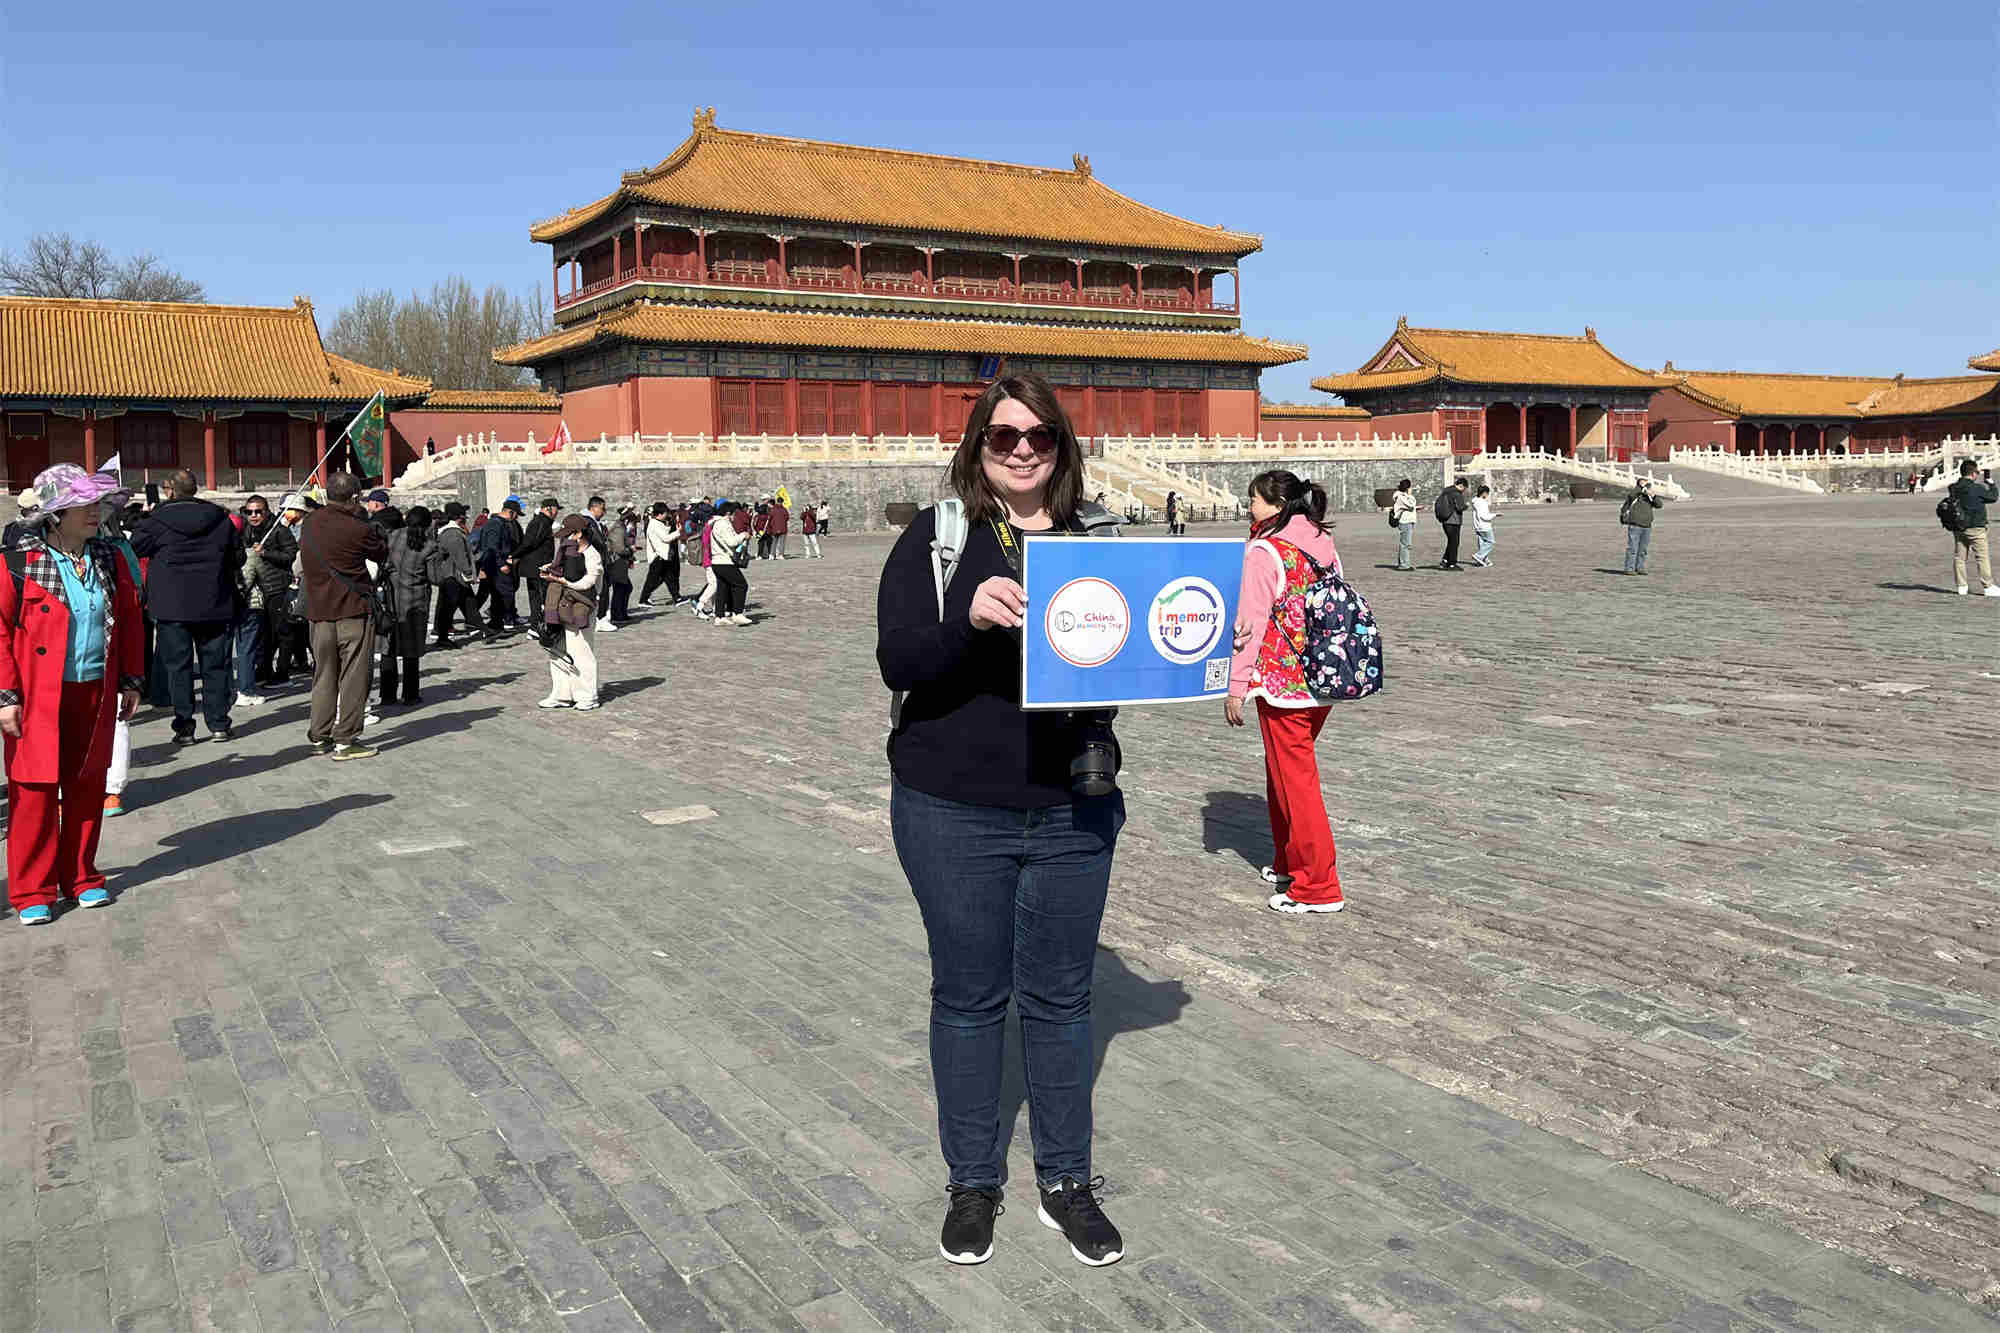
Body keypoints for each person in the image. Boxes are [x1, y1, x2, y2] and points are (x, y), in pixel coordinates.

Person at [875, 372, 1127, 1270]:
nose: (1022, 449)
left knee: (1063, 999)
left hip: (1072, 807)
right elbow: (897, 657)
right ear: (977, 443)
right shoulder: (940, 537)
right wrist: (968, 617)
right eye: (1003, 434)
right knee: (971, 997)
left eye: (1041, 435)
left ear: (1063, 444)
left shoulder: (1100, 538)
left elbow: (1130, 655)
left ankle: (1067, 1181)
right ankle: (973, 1181)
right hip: (953, 809)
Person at [1, 465, 144, 923]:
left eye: (96, 503)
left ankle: (82, 878)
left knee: (85, 786)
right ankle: (31, 891)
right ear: (56, 513)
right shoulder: (17, 562)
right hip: (37, 696)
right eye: (83, 505)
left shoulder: (109, 556)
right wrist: (6, 695)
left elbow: (129, 619)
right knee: (34, 793)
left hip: (94, 690)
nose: (95, 512)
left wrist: (131, 679)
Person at [1224, 470, 1346, 916]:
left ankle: (1319, 886)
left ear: (1275, 506)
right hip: (1322, 676)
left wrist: (1236, 686)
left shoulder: (1265, 550)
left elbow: (1248, 626)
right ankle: (1287, 861)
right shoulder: (1320, 541)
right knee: (1285, 773)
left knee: (1297, 782)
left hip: (1282, 684)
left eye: (1253, 500)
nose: (1249, 507)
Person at [129, 468, 242, 745]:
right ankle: (218, 724)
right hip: (213, 600)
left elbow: (135, 548)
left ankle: (184, 727)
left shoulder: (157, 520)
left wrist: (147, 516)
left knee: (178, 668)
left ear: (169, 490)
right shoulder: (220, 518)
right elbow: (237, 557)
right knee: (215, 666)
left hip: (171, 605)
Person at [299, 473, 387, 760]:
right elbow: (380, 551)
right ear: (354, 497)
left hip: (319, 612)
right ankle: (346, 739)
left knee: (323, 675)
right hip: (352, 610)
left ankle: (319, 734)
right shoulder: (359, 528)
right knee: (354, 677)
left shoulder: (310, 522)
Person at [96, 498, 143, 818]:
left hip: (107, 655)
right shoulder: (36, 556)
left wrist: (132, 676)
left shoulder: (112, 553)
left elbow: (131, 599)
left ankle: (111, 789)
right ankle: (107, 790)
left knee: (115, 719)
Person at [539, 514, 603, 710]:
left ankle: (587, 696)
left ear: (579, 533)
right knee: (557, 650)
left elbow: (589, 582)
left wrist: (564, 582)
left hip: (582, 605)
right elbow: (560, 569)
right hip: (561, 603)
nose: (565, 538)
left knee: (581, 651)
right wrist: (550, 571)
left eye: (569, 534)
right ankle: (562, 694)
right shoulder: (567, 550)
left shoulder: (592, 554)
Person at [381, 505, 435, 707]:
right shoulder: (429, 545)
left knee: (389, 646)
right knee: (411, 650)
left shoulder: (392, 537)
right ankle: (410, 695)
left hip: (391, 598)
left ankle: (387, 695)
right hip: (415, 600)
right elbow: (435, 577)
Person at [1946, 458, 2000, 595]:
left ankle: (1961, 586)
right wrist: (1992, 484)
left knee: (1960, 557)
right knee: (1982, 557)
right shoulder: (1976, 488)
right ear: (1973, 473)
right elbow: (1993, 497)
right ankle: (1988, 586)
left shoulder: (1954, 488)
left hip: (1959, 526)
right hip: (1976, 526)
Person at [428, 503, 476, 647]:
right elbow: (459, 555)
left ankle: (483, 628)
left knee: (464, 603)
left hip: (450, 574)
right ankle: (441, 635)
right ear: (459, 517)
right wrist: (468, 572)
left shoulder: (446, 530)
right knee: (448, 607)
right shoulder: (453, 533)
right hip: (452, 575)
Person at [476, 497, 526, 636]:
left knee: (499, 597)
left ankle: (496, 625)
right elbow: (492, 547)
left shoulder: (501, 523)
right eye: (516, 514)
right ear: (510, 512)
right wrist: (501, 564)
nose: (516, 518)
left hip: (500, 564)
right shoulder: (495, 524)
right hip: (496, 567)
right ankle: (494, 625)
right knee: (504, 595)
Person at [512, 497, 561, 627]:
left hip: (536, 566)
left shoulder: (544, 522)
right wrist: (514, 555)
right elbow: (529, 542)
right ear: (548, 509)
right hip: (537, 566)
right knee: (541, 597)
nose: (557, 513)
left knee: (536, 597)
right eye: (556, 509)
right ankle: (540, 624)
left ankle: (536, 624)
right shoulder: (540, 522)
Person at [706, 502, 752, 626]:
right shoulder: (723, 524)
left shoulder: (715, 523)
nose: (734, 517)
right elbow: (731, 542)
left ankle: (719, 616)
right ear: (728, 513)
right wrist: (743, 535)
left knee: (723, 588)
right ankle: (737, 613)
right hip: (725, 561)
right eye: (733, 514)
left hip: (717, 561)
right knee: (741, 585)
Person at [639, 503, 683, 607]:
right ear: (660, 514)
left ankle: (677, 598)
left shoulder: (658, 523)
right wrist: (678, 532)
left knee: (669, 577)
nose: (667, 515)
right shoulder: (654, 524)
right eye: (665, 513)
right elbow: (665, 538)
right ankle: (642, 600)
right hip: (658, 556)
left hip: (662, 555)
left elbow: (664, 533)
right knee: (652, 579)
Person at [1620, 477, 1664, 575]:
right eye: (1645, 485)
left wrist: (1653, 495)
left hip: (1647, 526)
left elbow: (1659, 505)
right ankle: (1629, 568)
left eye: (1648, 485)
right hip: (1635, 525)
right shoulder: (1635, 494)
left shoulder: (1649, 497)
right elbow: (1631, 496)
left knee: (1643, 549)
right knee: (1633, 548)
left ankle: (1639, 567)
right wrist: (1640, 487)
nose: (1647, 487)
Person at [1434, 476, 1468, 570]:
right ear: (1461, 485)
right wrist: (1466, 506)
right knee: (1454, 542)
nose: (1463, 491)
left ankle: (1445, 561)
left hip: (1445, 520)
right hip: (1454, 521)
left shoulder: (1446, 492)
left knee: (1451, 541)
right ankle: (1452, 563)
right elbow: (1460, 507)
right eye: (1464, 488)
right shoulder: (1456, 493)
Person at [1390, 478, 1419, 570]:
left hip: (1408, 521)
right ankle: (1404, 565)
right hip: (1405, 521)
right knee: (1406, 544)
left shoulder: (1402, 496)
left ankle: (1404, 563)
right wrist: (1410, 495)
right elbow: (1411, 504)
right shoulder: (1401, 496)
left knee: (1406, 543)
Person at [1470, 485, 1498, 567]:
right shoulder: (1482, 503)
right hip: (1485, 526)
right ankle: (1478, 556)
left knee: (1482, 545)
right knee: (1491, 542)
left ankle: (1484, 560)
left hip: (1478, 526)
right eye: (1487, 493)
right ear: (1484, 493)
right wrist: (1495, 515)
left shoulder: (1475, 501)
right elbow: (1485, 516)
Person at [767, 495, 790, 560]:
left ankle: (772, 555)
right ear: (782, 502)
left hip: (774, 528)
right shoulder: (784, 509)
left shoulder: (773, 509)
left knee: (774, 542)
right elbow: (787, 518)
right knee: (781, 543)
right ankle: (779, 555)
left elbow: (770, 518)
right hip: (782, 528)